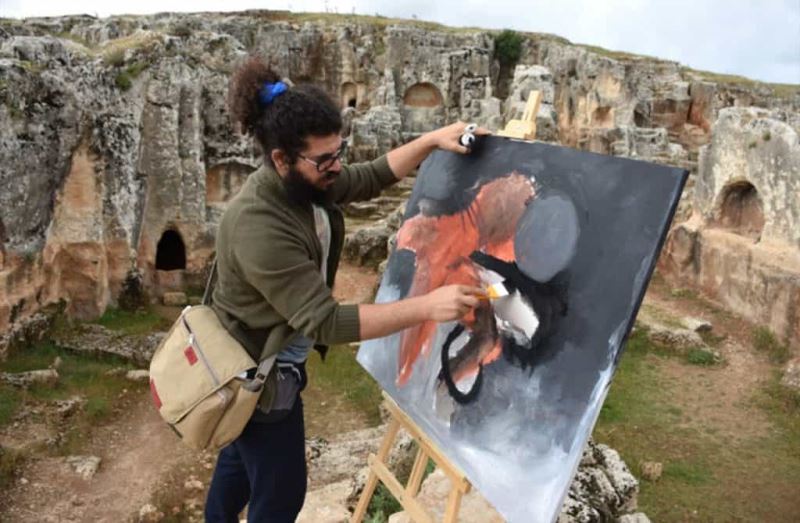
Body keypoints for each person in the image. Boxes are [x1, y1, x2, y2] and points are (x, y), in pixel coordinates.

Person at [204, 56, 488, 523]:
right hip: (257, 375)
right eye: (325, 160)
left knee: (238, 462)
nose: (337, 167)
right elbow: (327, 322)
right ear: (281, 160)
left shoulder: (305, 183)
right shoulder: (259, 224)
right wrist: (427, 306)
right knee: (281, 497)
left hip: (261, 370)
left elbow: (370, 176)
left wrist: (432, 140)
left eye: (339, 151)